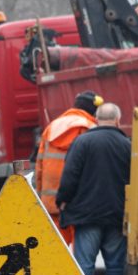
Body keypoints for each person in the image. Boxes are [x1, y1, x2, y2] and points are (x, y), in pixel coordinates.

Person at [55, 102, 130, 275]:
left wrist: (63, 199)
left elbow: (70, 175)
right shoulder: (126, 145)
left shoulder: (82, 142)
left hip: (86, 216)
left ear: (96, 120)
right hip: (116, 216)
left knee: (84, 265)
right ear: (117, 120)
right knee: (115, 266)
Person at [34, 90, 103, 246]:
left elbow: (39, 167)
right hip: (78, 202)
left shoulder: (51, 127)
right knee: (80, 251)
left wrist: (41, 195)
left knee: (56, 249)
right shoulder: (90, 129)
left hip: (51, 201)